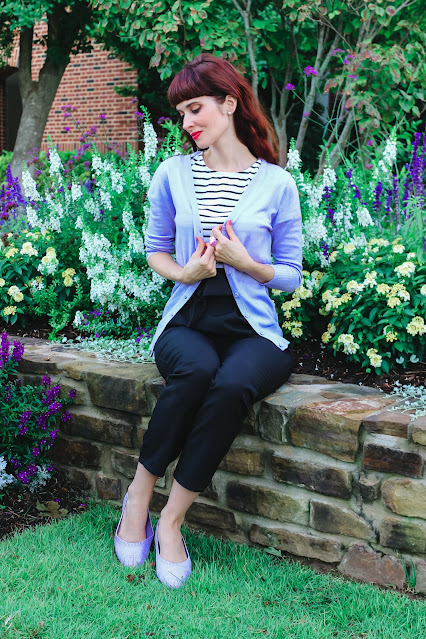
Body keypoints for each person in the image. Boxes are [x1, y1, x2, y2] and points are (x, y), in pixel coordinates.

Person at [114, 53, 302, 589]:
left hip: (252, 328)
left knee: (234, 383)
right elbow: (154, 250)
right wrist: (187, 272)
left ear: (229, 103)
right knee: (196, 371)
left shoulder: (276, 183)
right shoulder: (172, 174)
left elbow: (290, 274)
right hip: (188, 320)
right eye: (181, 113)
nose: (187, 122)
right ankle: (138, 497)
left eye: (195, 108)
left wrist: (248, 264)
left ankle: (171, 521)